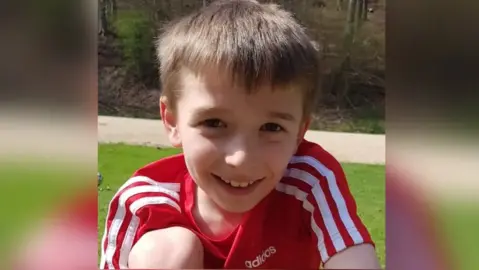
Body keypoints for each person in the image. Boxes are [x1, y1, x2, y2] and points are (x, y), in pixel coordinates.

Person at [99, 0, 380, 268]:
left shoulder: (310, 178)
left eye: (272, 128)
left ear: (299, 133)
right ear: (172, 121)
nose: (241, 158)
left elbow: (353, 257)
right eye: (214, 123)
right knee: (167, 253)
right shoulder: (145, 202)